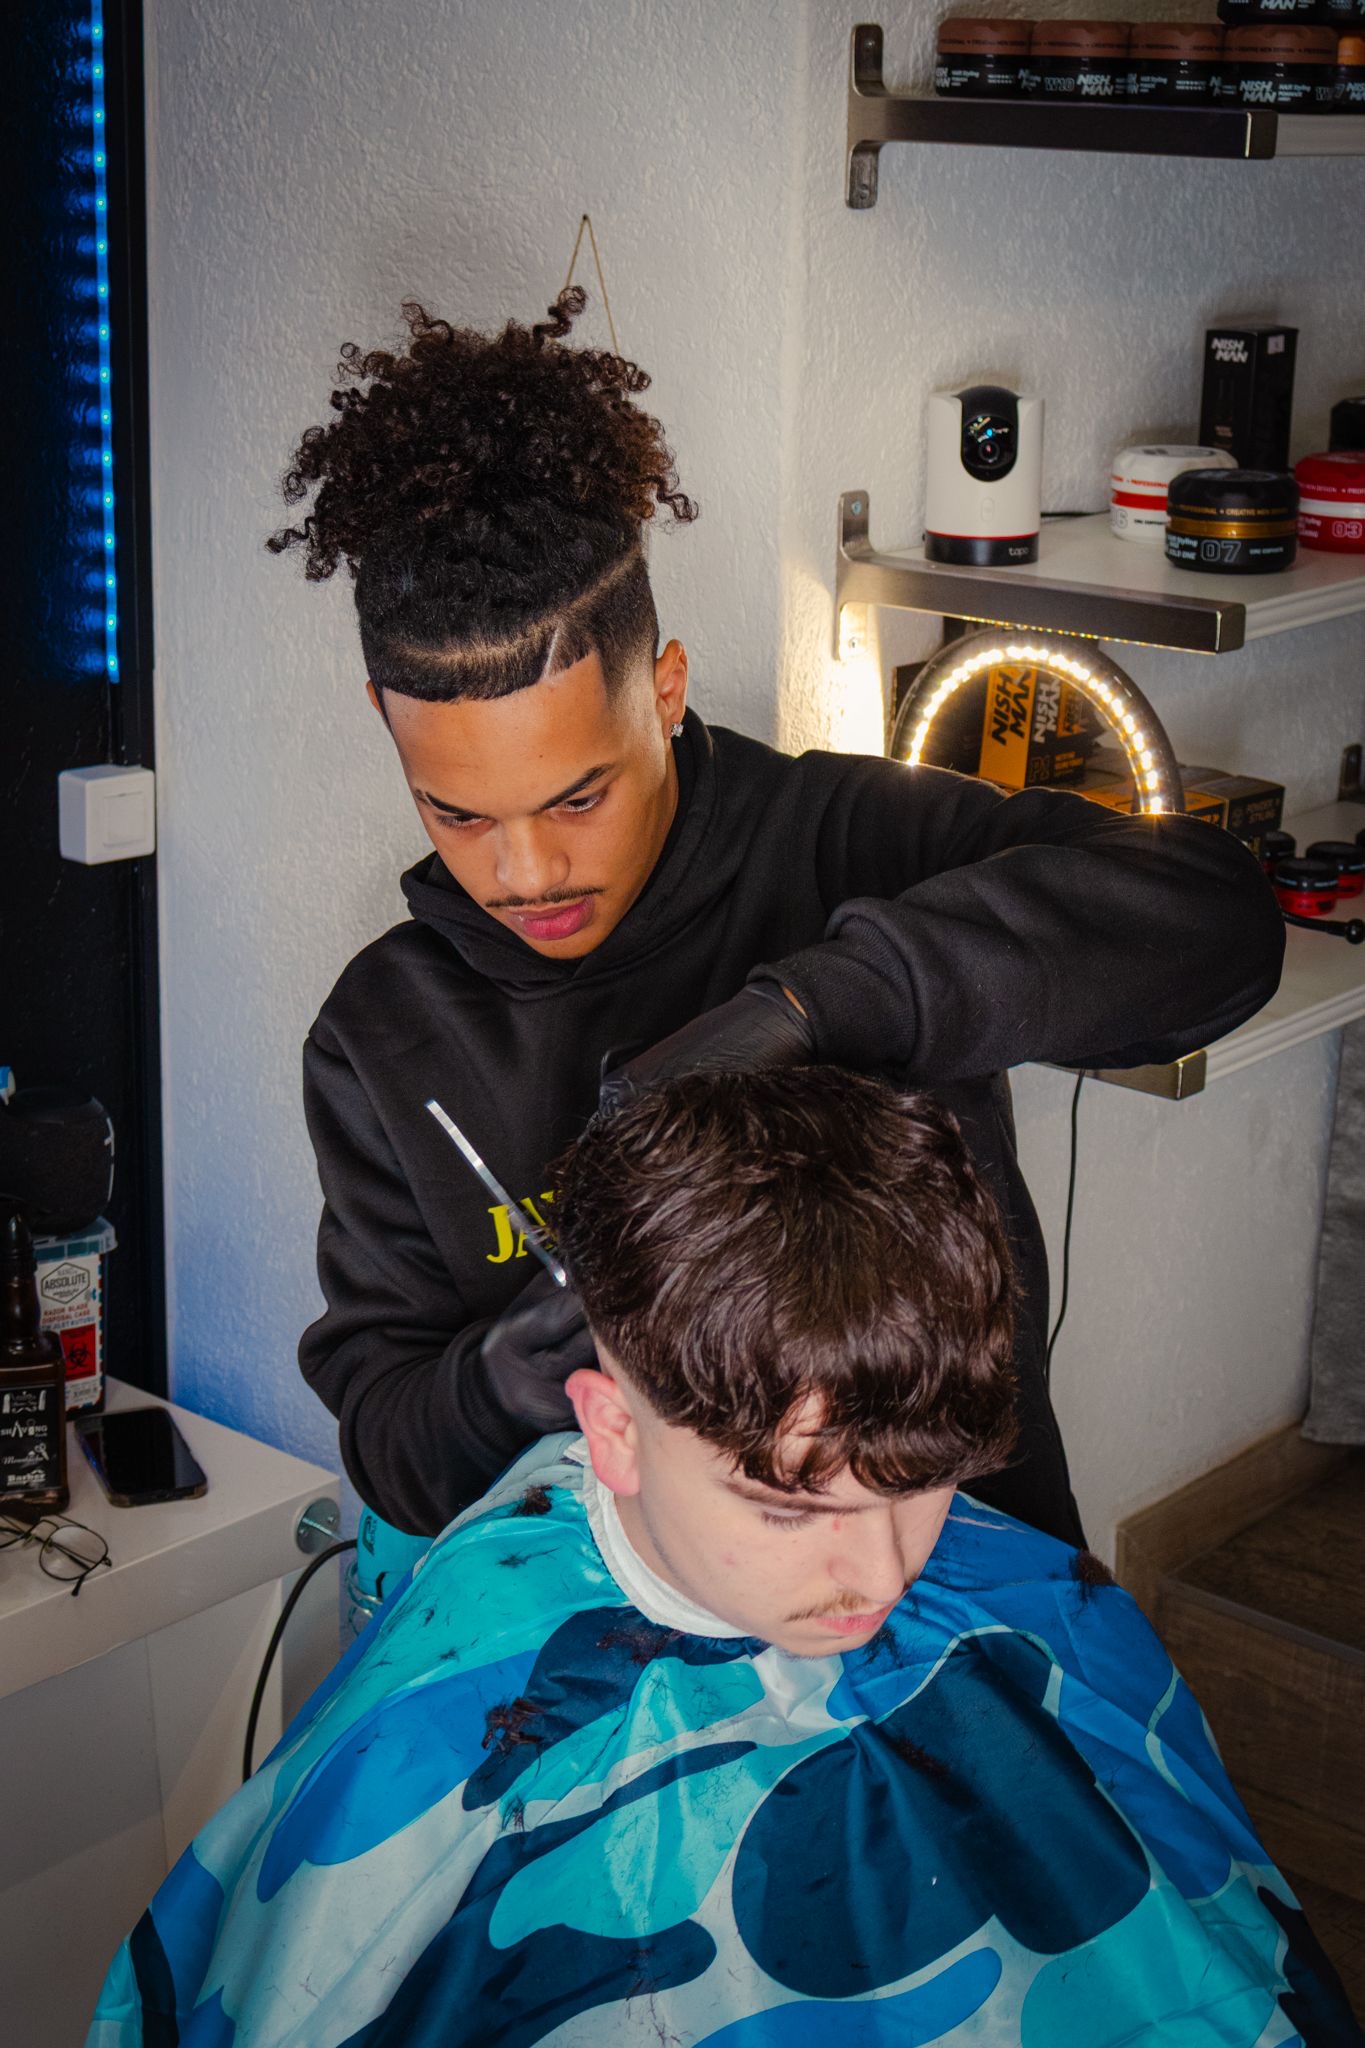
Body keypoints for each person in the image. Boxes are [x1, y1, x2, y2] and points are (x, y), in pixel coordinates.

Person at [273, 288, 1283, 1550]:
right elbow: (394, 1449)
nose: (526, 871)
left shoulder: (844, 841)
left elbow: (1223, 928)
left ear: (666, 684)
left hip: (951, 1599)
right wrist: (504, 1378)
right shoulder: (387, 1037)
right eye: (458, 814)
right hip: (603, 1666)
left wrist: (809, 1007)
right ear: (387, 722)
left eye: (579, 793)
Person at [86, 1070, 1357, 2046]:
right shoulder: (453, 1729)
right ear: (612, 1429)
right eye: (791, 1509)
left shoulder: (1038, 1603)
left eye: (920, 1485)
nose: (883, 1570)